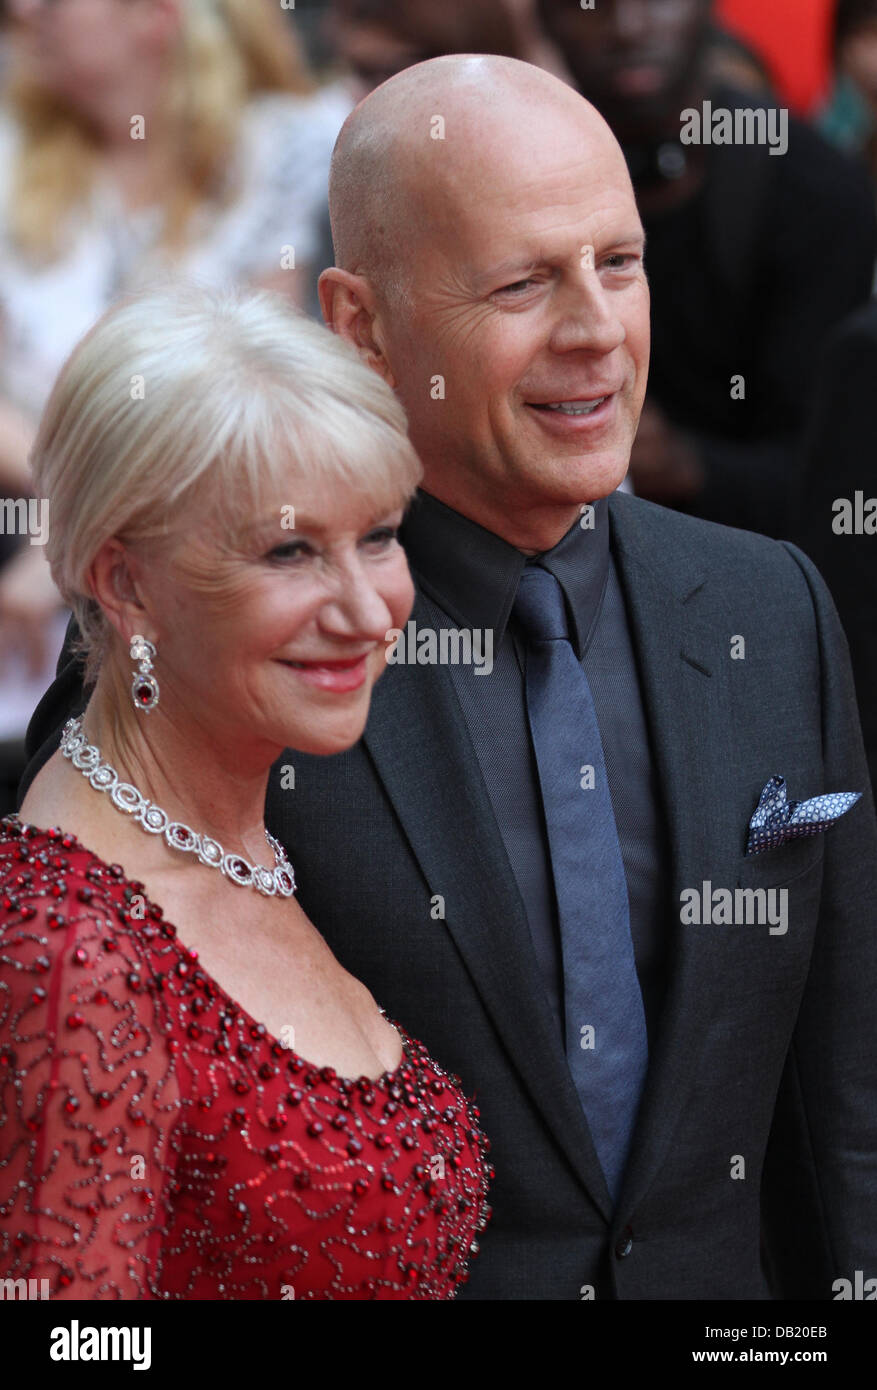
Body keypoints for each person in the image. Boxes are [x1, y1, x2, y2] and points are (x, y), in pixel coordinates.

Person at [20, 55, 877, 1301]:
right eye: (522, 282)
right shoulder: (249, 644)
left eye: (619, 263)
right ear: (362, 322)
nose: (593, 330)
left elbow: (843, 1105)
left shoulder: (770, 607)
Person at [0, 281, 492, 1300]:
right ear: (126, 582)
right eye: (289, 551)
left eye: (380, 535)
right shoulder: (68, 949)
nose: (366, 610)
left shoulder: (248, 842)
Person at [0, 0, 350, 714]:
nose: (22, 7)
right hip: (29, 531)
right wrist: (68, 512)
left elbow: (252, 387)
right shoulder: (13, 149)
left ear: (153, 15)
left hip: (218, 546)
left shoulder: (286, 152)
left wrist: (71, 538)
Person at [537, 0, 877, 538]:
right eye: (592, 5)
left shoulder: (813, 191)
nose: (628, 28)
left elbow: (838, 482)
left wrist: (682, 463)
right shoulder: (516, 179)